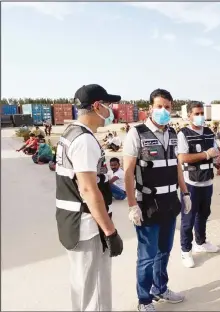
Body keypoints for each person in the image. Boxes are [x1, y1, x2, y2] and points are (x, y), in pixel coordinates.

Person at [55, 84, 123, 311]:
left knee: (83, 287)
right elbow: (88, 190)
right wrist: (110, 232)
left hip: (73, 221)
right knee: (93, 291)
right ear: (96, 106)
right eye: (108, 105)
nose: (111, 110)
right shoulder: (84, 141)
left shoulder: (70, 133)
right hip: (88, 227)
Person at [123, 88, 189, 311]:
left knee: (164, 251)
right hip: (148, 205)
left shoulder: (172, 133)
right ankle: (144, 300)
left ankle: (160, 289)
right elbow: (128, 173)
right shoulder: (136, 133)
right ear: (150, 108)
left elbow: (177, 166)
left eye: (168, 107)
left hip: (170, 202)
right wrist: (133, 205)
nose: (164, 110)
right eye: (159, 106)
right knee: (146, 257)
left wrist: (185, 192)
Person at [177, 101, 220, 269]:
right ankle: (185, 250)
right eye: (196, 113)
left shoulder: (209, 133)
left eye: (202, 113)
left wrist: (218, 157)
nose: (200, 116)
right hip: (191, 183)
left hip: (207, 181)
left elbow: (216, 152)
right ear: (189, 115)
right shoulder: (183, 134)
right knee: (188, 218)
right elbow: (182, 158)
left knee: (203, 214)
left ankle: (200, 242)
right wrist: (204, 154)